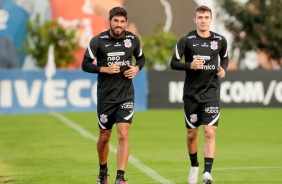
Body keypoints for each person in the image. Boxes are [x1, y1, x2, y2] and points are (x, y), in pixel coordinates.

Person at [81, 7, 145, 184]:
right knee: (104, 137)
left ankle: (120, 177)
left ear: (125, 22)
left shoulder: (132, 39)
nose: (119, 25)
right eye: (115, 21)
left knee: (123, 135)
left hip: (125, 95)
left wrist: (136, 68)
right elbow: (85, 64)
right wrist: (105, 69)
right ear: (109, 21)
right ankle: (103, 171)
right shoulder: (98, 41)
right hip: (106, 97)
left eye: (122, 22)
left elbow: (141, 59)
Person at [170, 5, 229, 184]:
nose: (203, 20)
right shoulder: (186, 40)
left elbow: (225, 58)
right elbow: (173, 63)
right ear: (195, 19)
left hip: (211, 92)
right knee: (191, 134)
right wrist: (190, 65)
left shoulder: (220, 40)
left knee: (210, 132)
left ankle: (207, 173)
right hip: (191, 94)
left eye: (206, 17)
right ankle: (194, 165)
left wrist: (222, 69)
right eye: (200, 17)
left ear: (211, 20)